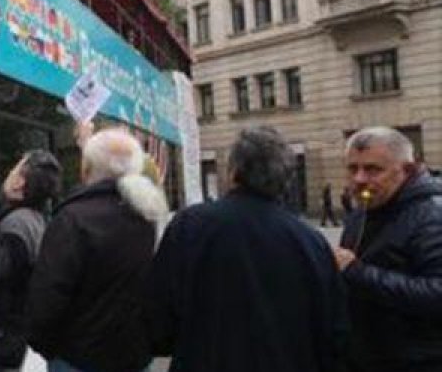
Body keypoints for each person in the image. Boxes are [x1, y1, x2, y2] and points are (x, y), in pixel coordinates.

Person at [148, 127, 348, 372]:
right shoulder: (311, 242)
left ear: (234, 172)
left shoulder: (189, 225)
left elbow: (157, 317)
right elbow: (333, 331)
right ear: (286, 178)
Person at [25, 128, 167, 372]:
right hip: (133, 357)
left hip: (76, 359)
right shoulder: (146, 218)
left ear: (85, 170)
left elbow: (48, 296)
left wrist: (46, 346)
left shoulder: (73, 218)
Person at [335, 126, 442, 372]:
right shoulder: (363, 209)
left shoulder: (432, 215)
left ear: (406, 170)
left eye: (373, 169)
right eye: (353, 168)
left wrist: (357, 272)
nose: (359, 179)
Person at [0, 150, 62, 372]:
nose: (9, 174)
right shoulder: (33, 219)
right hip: (12, 336)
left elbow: (1, 265)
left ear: (20, 183)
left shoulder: (20, 223)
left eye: (15, 169)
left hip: (3, 338)